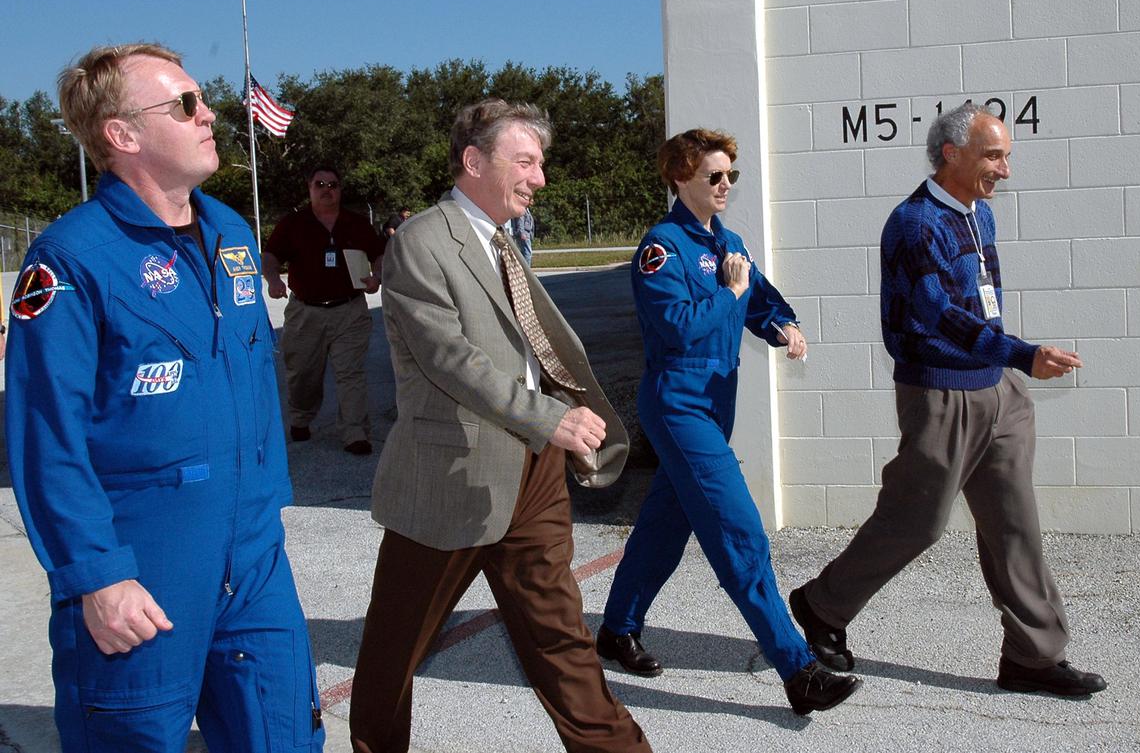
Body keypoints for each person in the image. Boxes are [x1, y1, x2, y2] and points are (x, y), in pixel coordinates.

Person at [5, 43, 323, 751]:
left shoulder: (231, 236)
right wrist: (97, 575)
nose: (208, 112)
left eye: (201, 98)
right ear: (123, 134)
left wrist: (265, 509)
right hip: (145, 562)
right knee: (135, 736)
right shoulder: (71, 258)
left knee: (284, 732)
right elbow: (45, 434)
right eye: (185, 104)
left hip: (252, 552)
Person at [348, 99, 651, 753]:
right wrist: (551, 415)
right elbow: (450, 359)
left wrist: (559, 416)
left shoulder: (504, 241)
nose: (539, 177)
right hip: (448, 475)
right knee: (394, 648)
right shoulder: (422, 242)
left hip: (532, 472)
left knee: (559, 634)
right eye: (526, 161)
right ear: (474, 161)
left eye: (540, 163)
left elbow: (531, 346)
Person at [789, 102, 1108, 698]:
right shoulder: (914, 225)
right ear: (950, 154)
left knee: (1016, 525)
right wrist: (1020, 354)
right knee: (918, 521)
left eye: (1007, 155)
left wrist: (1007, 365)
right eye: (994, 155)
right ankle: (820, 606)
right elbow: (937, 314)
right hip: (940, 393)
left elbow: (983, 300)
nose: (1005, 170)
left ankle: (1033, 658)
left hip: (998, 390)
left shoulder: (977, 215)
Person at [596, 128, 859, 716]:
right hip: (677, 401)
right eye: (713, 176)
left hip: (715, 402)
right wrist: (732, 292)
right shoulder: (660, 248)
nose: (724, 185)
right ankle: (799, 670)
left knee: (666, 522)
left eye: (730, 176)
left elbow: (759, 300)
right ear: (680, 177)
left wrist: (781, 325)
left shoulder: (728, 240)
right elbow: (681, 326)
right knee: (740, 532)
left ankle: (616, 629)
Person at [263, 166, 384, 455]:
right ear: (310, 188)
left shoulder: (356, 224)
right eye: (320, 184)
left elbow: (379, 253)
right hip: (306, 312)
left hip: (349, 311)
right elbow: (269, 255)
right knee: (303, 373)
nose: (327, 189)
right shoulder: (293, 224)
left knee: (350, 374)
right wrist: (273, 279)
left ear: (340, 189)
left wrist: (377, 276)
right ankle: (301, 417)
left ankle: (355, 433)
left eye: (333, 184)